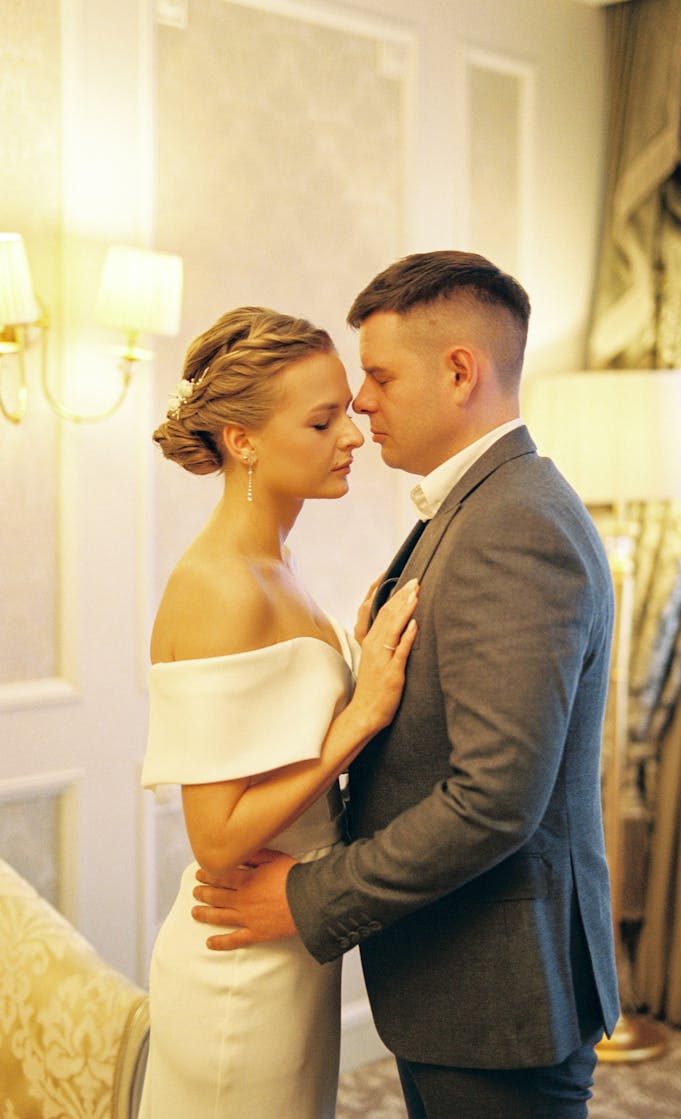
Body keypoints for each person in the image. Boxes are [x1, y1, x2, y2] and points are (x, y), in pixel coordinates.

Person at [192, 252, 621, 1119]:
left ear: (461, 371)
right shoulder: (480, 509)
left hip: (497, 991)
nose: (360, 402)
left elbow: (494, 799)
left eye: (380, 375)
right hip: (458, 978)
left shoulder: (513, 525)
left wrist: (308, 895)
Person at [138, 305, 419, 1119]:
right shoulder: (221, 584)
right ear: (243, 439)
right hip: (237, 970)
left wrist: (359, 658)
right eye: (323, 419)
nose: (354, 436)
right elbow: (216, 838)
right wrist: (359, 716)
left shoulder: (277, 561)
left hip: (290, 943)